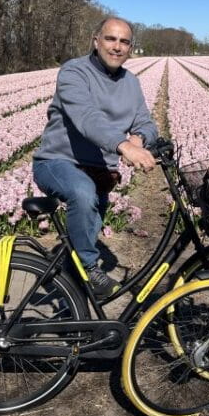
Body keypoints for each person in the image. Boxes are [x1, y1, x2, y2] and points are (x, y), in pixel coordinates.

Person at [33, 17, 158, 297]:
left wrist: (139, 138)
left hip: (99, 171)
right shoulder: (74, 72)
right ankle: (89, 269)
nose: (117, 47)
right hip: (57, 162)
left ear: (130, 48)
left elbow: (147, 123)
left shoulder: (131, 83)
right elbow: (87, 118)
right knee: (82, 193)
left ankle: (72, 312)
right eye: (110, 39)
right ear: (96, 41)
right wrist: (124, 146)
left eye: (124, 41)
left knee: (86, 233)